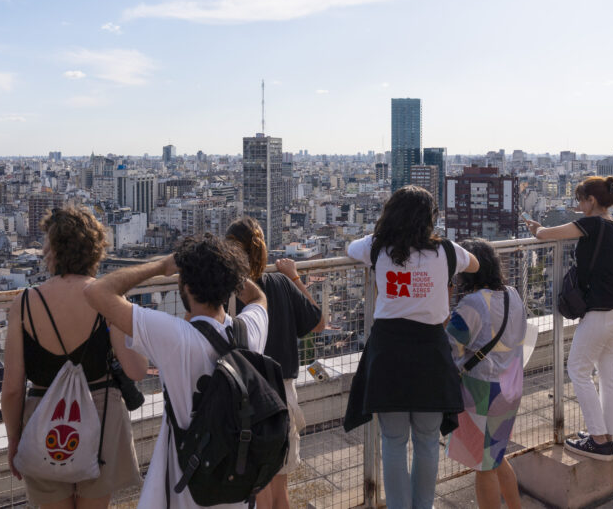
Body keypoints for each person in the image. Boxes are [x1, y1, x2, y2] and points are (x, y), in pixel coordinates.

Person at [84, 234, 268, 509]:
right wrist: (228, 272)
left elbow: (97, 292)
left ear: (186, 285)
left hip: (188, 488)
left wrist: (161, 266)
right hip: (239, 487)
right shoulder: (249, 330)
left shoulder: (176, 338)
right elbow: (258, 296)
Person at [343, 186, 478, 509]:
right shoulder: (446, 251)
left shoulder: (377, 248)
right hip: (430, 350)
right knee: (428, 441)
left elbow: (350, 248)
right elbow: (473, 263)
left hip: (388, 350)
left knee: (392, 441)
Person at [3, 206, 146, 508]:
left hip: (43, 422)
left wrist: (14, 439)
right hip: (101, 416)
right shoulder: (109, 299)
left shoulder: (24, 303)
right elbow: (135, 369)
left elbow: (13, 387)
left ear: (54, 250)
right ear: (95, 249)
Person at [524, 175, 613, 460]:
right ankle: (607, 434)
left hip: (602, 309)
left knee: (578, 370)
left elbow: (547, 235)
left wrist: (537, 228)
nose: (578, 205)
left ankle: (598, 440)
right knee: (607, 373)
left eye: (580, 200)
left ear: (591, 200)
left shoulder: (592, 223)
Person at [226, 217, 325, 509]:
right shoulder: (281, 284)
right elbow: (319, 322)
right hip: (283, 395)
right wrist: (294, 277)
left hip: (243, 398)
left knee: (256, 494)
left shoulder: (225, 293)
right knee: (280, 492)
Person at [445, 239, 526, 509]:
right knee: (495, 456)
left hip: (482, 391)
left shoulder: (472, 304)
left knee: (483, 467)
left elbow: (450, 347)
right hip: (509, 387)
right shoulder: (512, 294)